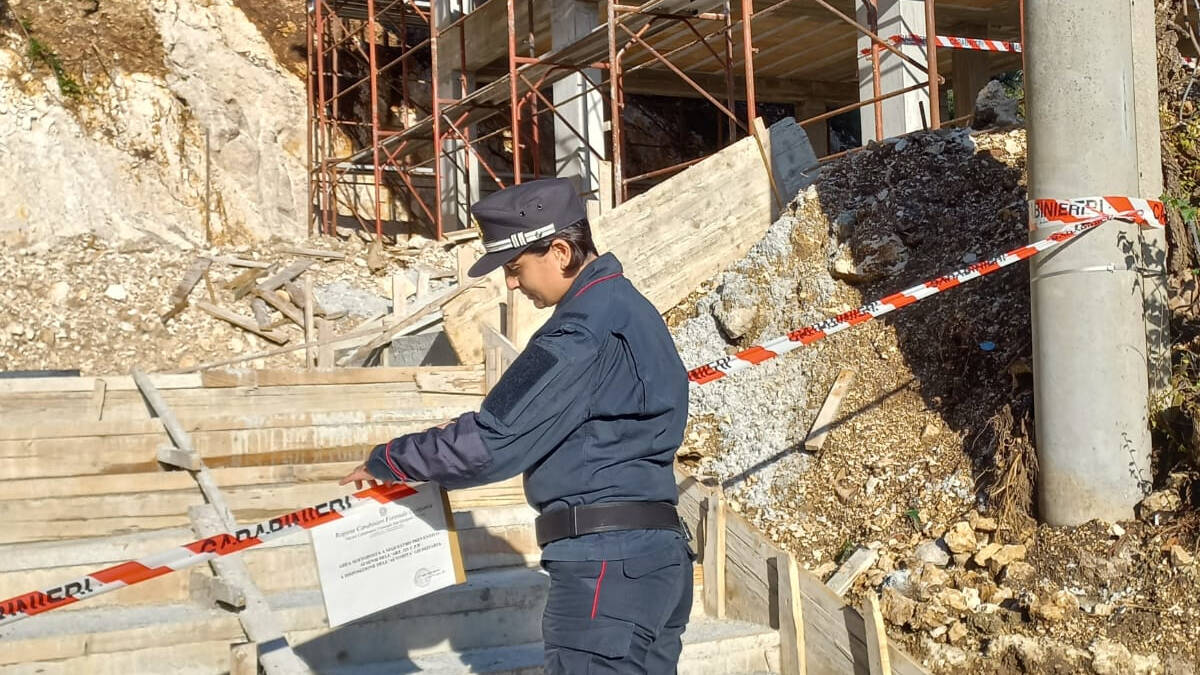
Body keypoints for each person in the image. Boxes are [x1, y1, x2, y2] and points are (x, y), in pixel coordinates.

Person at [338, 177, 693, 674]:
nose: (510, 283)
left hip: (606, 572)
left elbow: (492, 442)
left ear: (562, 251)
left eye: (514, 266)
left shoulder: (579, 331)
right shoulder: (631, 308)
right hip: (656, 561)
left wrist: (390, 459)